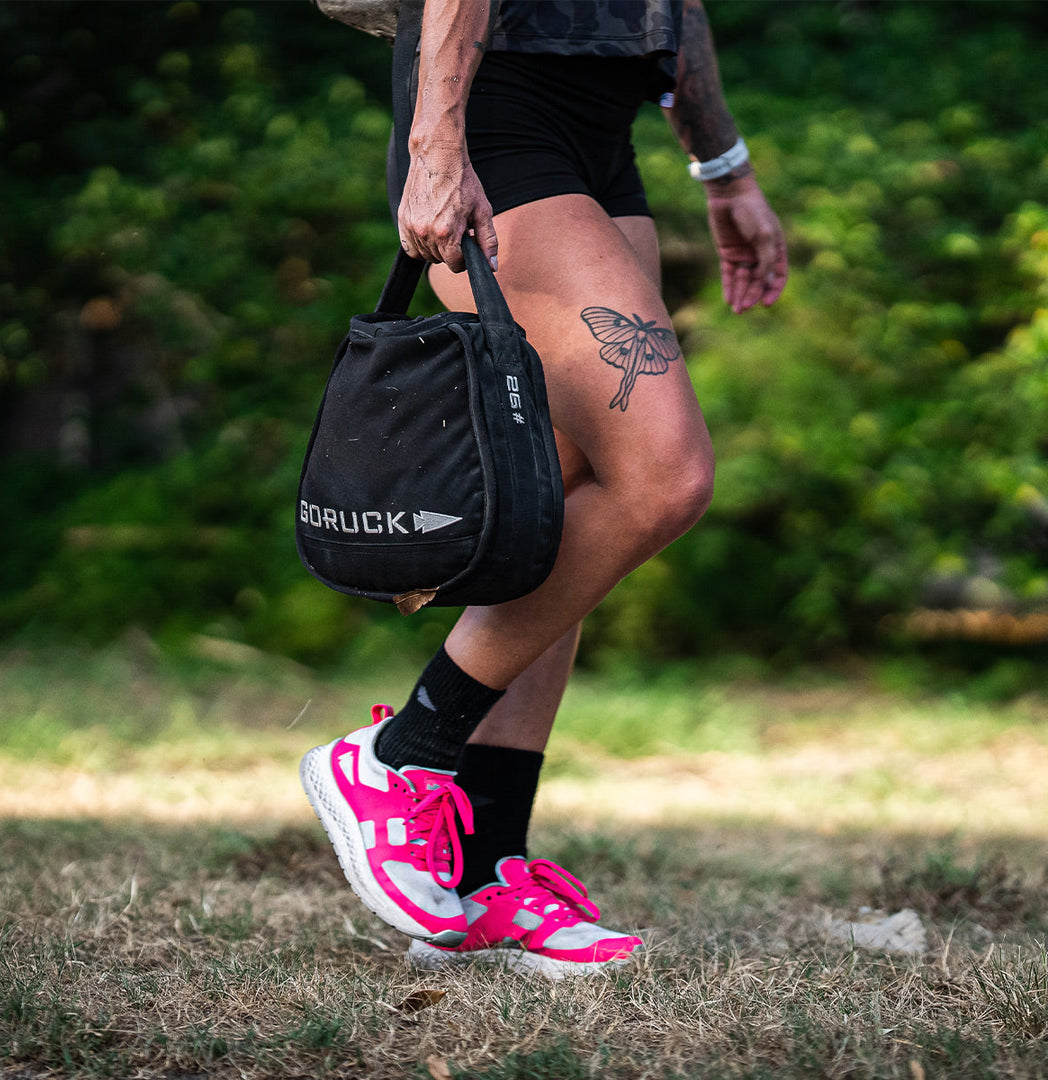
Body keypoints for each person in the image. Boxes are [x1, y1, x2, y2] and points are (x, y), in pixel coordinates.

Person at [301, 0, 787, 978]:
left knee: (561, 500)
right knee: (664, 475)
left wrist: (722, 165)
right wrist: (437, 141)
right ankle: (400, 755)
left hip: (604, 121)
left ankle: (485, 874)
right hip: (496, 108)